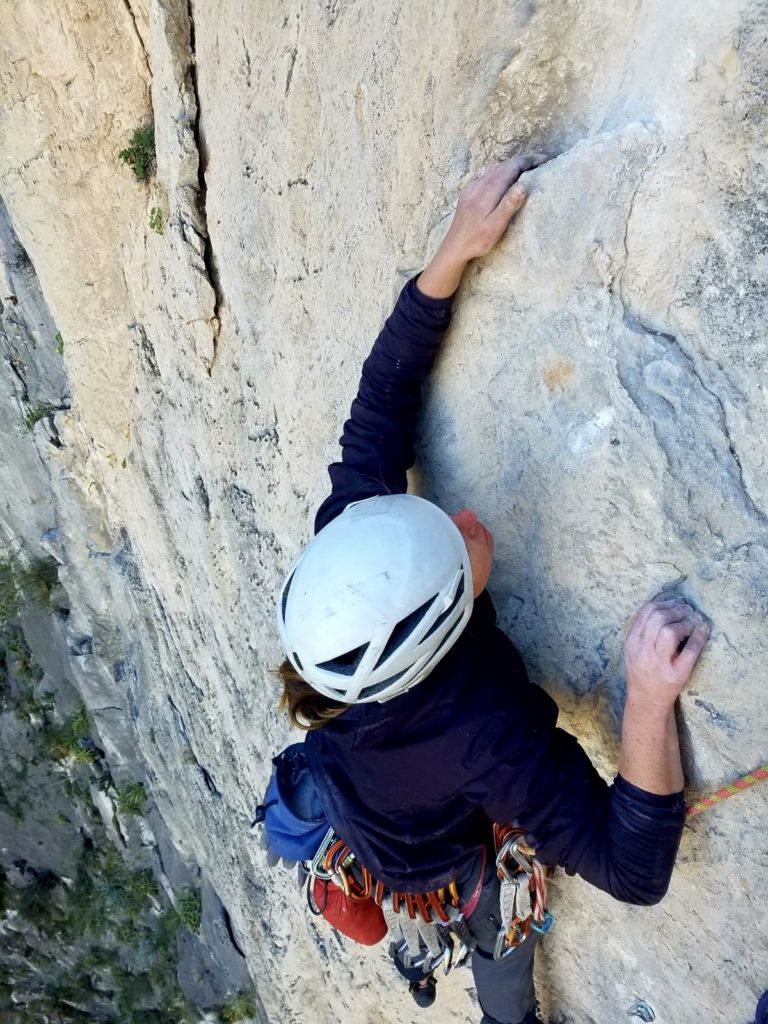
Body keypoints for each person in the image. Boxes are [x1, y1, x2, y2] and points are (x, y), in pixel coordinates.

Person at [275, 155, 710, 1024]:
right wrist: (649, 700)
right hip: (438, 858)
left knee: (405, 850)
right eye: (456, 544)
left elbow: (379, 411)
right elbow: (633, 870)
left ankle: (409, 929)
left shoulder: (355, 583)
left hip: (364, 802)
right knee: (498, 943)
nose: (465, 517)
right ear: (442, 628)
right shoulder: (486, 736)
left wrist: (451, 256)